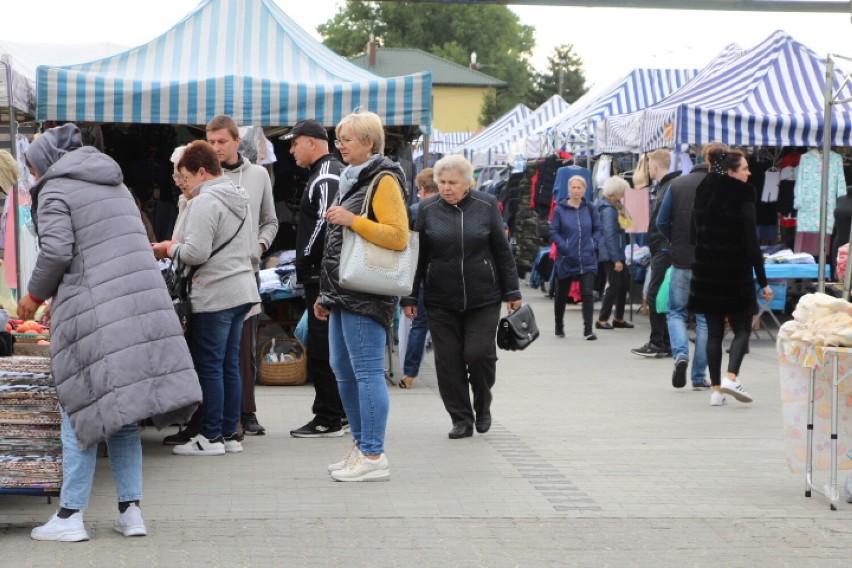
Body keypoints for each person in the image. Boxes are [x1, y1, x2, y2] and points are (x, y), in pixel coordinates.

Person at [19, 123, 201, 542]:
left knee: (79, 409)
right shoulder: (114, 184)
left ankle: (70, 516)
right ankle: (131, 512)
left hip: (96, 315)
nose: (32, 177)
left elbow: (57, 250)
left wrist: (33, 296)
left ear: (47, 163)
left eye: (32, 169)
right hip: (136, 310)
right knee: (123, 415)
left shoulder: (57, 190)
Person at [315, 111, 409, 482]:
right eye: (338, 139)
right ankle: (361, 445)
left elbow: (398, 236)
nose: (340, 146)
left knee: (367, 373)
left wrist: (352, 220)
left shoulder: (383, 180)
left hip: (367, 293)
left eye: (347, 140)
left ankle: (373, 453)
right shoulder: (353, 180)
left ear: (369, 142)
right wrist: (325, 294)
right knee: (343, 370)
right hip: (343, 292)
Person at [402, 154, 522, 440]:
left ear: (467, 183)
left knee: (479, 354)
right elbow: (416, 257)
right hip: (440, 299)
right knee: (449, 361)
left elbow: (502, 251)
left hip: (484, 296)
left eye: (452, 183)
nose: (446, 188)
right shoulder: (426, 210)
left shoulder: (486, 205)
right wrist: (408, 296)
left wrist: (512, 290)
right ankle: (461, 418)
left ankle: (483, 405)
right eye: (441, 182)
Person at [153, 140, 261, 453]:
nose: (182, 184)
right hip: (242, 290)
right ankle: (229, 433)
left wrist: (167, 248)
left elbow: (195, 252)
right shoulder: (238, 196)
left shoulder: (205, 202)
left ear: (202, 172)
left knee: (211, 366)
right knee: (229, 365)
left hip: (215, 293)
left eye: (184, 178)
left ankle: (211, 437)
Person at [206, 115, 278, 436]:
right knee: (217, 349)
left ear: (237, 141)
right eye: (211, 141)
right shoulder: (204, 175)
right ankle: (221, 415)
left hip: (247, 271)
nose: (216, 147)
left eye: (222, 141)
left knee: (244, 345)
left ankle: (246, 411)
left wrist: (259, 245)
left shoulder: (259, 175)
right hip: (212, 273)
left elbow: (270, 221)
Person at [689, 148, 772, 406]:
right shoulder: (742, 194)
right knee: (743, 327)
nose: (749, 173)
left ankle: (716, 391)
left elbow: (693, 234)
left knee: (714, 332)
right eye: (746, 168)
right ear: (733, 171)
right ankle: (731, 377)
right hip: (735, 271)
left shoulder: (703, 189)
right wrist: (763, 281)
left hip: (705, 270)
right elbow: (751, 242)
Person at [284, 119, 347, 438]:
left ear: (311, 142)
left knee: (323, 346)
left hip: (321, 274)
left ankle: (328, 417)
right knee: (327, 343)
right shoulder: (326, 172)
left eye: (294, 143)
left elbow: (326, 226)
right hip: (322, 273)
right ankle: (339, 412)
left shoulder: (326, 175)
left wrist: (305, 258)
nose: (291, 150)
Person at [656, 143, 728, 390]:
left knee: (675, 311)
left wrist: (675, 240)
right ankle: (699, 377)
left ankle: (680, 355)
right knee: (705, 320)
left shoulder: (677, 184)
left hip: (681, 259)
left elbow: (661, 221)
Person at [631, 149, 680, 357]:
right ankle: (665, 342)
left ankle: (658, 342)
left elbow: (663, 221)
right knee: (662, 295)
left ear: (655, 166)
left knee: (654, 294)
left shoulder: (668, 188)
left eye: (649, 164)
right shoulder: (666, 187)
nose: (648, 168)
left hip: (664, 248)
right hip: (664, 247)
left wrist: (661, 243)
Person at [400, 168, 439, 388]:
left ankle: (409, 374)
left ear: (422, 189)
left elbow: (407, 248)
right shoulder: (451, 209)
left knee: (419, 325)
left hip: (420, 273)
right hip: (444, 275)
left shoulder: (414, 211)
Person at [549, 175, 601, 341]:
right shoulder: (560, 209)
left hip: (587, 257)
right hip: (566, 258)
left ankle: (588, 330)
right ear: (569, 189)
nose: (576, 190)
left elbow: (599, 229)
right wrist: (563, 246)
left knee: (587, 293)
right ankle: (559, 325)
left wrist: (593, 243)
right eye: (574, 187)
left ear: (585, 189)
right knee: (562, 294)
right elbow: (553, 231)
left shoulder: (590, 208)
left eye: (580, 188)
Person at [595, 176, 634, 330]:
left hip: (615, 250)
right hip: (612, 252)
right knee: (615, 284)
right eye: (622, 193)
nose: (624, 196)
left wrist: (622, 208)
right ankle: (602, 319)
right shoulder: (608, 210)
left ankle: (618, 317)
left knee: (623, 283)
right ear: (615, 193)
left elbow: (629, 223)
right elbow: (609, 235)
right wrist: (616, 259)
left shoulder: (613, 206)